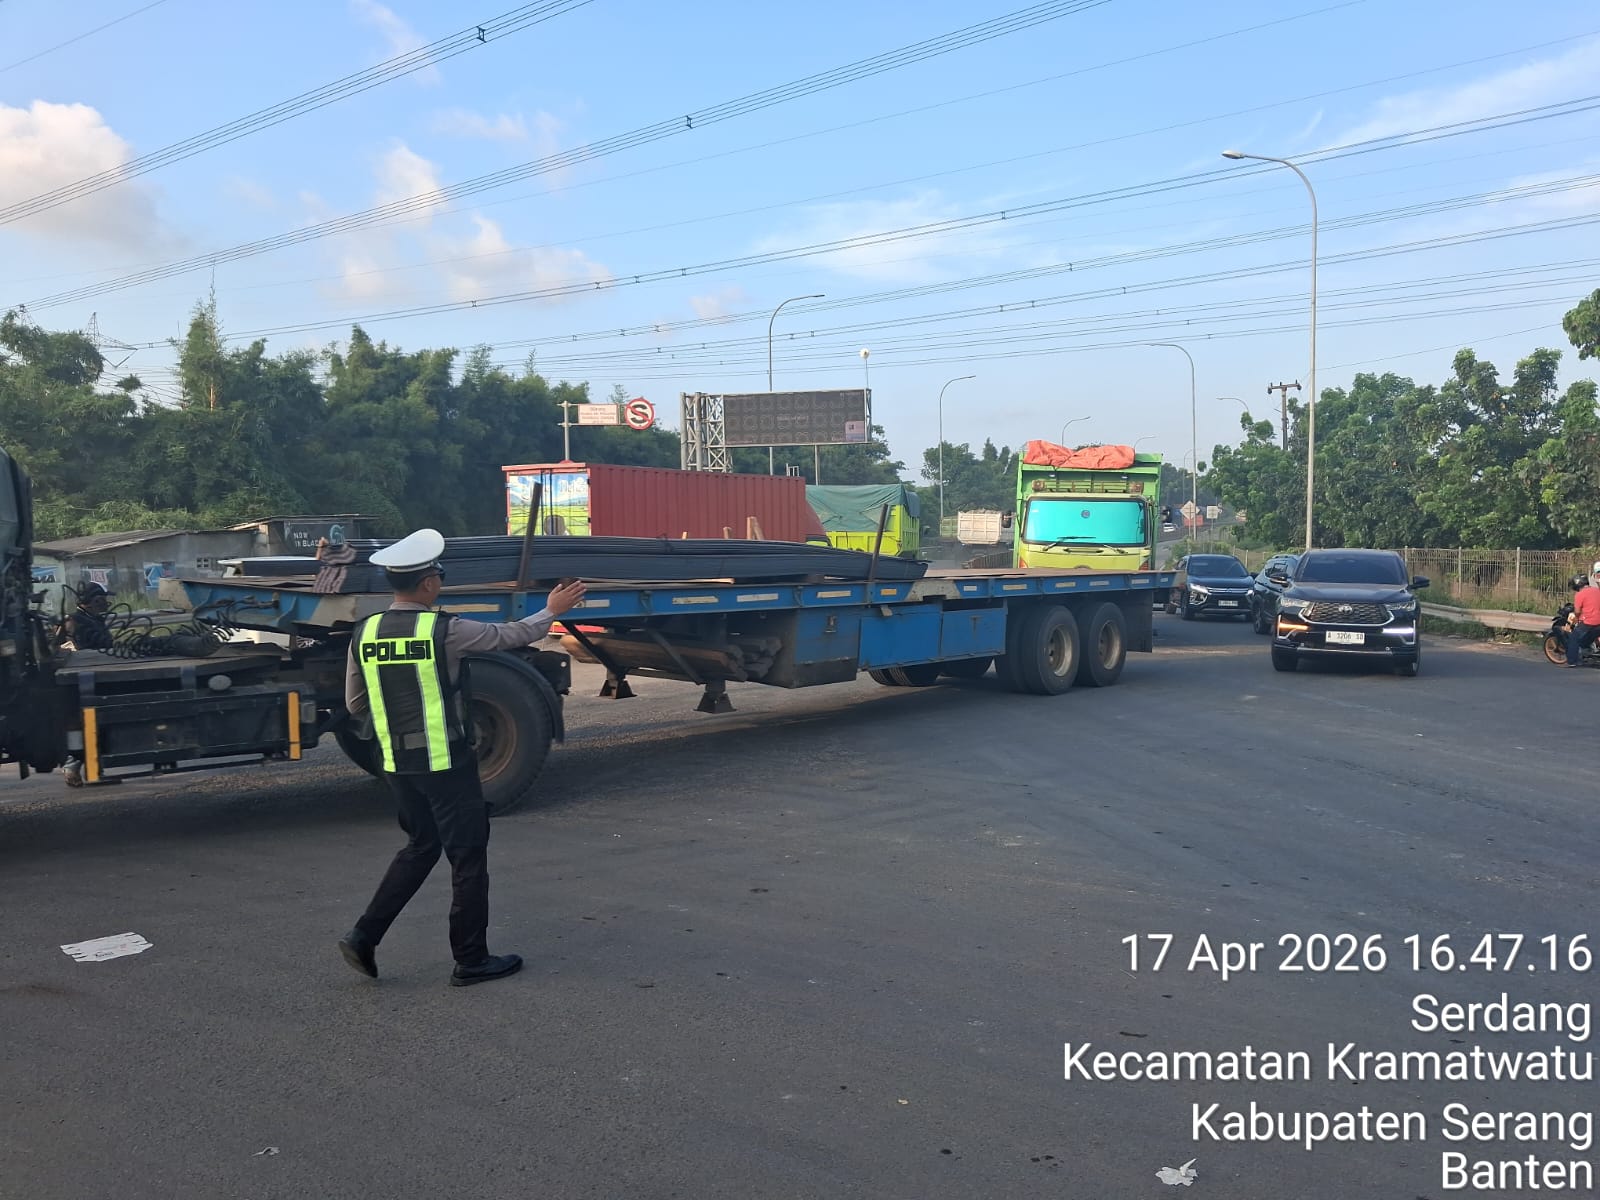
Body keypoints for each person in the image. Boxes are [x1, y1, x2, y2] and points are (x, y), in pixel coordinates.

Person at [337, 528, 586, 986]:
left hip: (396, 763)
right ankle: (471, 960)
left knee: (420, 846)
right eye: (437, 576)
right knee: (467, 856)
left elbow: (356, 704)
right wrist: (552, 610)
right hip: (446, 763)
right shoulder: (445, 630)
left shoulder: (364, 633)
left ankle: (363, 936)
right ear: (428, 583)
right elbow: (511, 635)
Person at [63, 581, 114, 651]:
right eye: (103, 599)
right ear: (95, 601)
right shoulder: (76, 621)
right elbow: (101, 643)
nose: (106, 602)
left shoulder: (94, 618)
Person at [1566, 571, 1600, 667]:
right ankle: (1587, 653)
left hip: (1588, 622)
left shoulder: (1580, 595)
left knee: (1574, 638)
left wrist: (1576, 619)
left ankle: (1572, 661)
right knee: (1589, 638)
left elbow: (1577, 612)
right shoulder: (1597, 590)